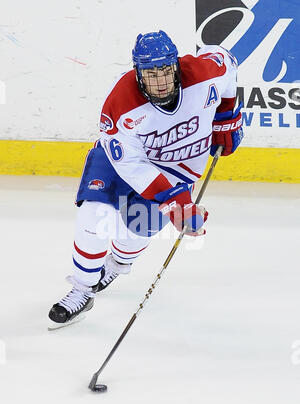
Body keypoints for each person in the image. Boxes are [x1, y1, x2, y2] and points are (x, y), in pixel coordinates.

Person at [48, 30, 243, 329]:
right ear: (138, 73)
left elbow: (227, 60)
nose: (162, 81)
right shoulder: (121, 104)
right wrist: (175, 202)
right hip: (121, 162)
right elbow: (132, 165)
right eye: (151, 73)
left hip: (176, 168)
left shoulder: (203, 73)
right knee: (94, 215)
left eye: (166, 70)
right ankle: (82, 289)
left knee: (138, 227)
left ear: (176, 66)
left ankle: (117, 264)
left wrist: (226, 116)